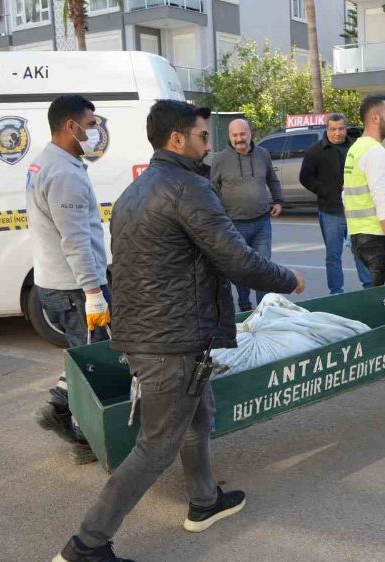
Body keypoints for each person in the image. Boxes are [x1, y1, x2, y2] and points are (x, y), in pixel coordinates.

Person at [53, 100, 305, 562]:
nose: (209, 144)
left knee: (198, 417)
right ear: (177, 139)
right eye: (203, 136)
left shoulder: (139, 188)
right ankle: (87, 545)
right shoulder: (187, 187)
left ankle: (205, 501)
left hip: (152, 333)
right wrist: (288, 280)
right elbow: (236, 259)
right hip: (171, 340)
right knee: (155, 447)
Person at [27, 94, 110, 465]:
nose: (95, 132)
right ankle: (87, 438)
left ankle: (59, 407)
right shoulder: (63, 174)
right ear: (70, 126)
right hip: (76, 289)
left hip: (54, 283)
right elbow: (74, 239)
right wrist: (93, 292)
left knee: (80, 356)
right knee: (94, 363)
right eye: (91, 125)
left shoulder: (46, 163)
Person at [211, 118, 284, 312]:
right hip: (234, 225)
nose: (239, 138)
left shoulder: (263, 154)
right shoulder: (219, 159)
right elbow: (210, 188)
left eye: (242, 134)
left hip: (262, 223)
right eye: (234, 135)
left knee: (263, 268)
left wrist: (278, 201)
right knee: (240, 268)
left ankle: (263, 310)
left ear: (250, 133)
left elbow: (272, 179)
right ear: (229, 137)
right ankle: (244, 305)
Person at [299, 113, 372, 294]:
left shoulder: (355, 147)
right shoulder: (315, 151)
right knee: (333, 256)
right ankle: (336, 292)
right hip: (330, 212)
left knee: (361, 252)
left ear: (345, 128)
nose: (337, 133)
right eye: (333, 129)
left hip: (356, 211)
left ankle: (369, 287)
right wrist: (325, 191)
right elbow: (305, 177)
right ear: (327, 129)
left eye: (341, 129)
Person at [343, 94, 385, 287]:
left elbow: (346, 194)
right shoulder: (375, 152)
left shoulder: (355, 149)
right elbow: (381, 201)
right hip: (379, 240)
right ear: (375, 118)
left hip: (360, 238)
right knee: (384, 303)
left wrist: (351, 231)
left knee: (374, 299)